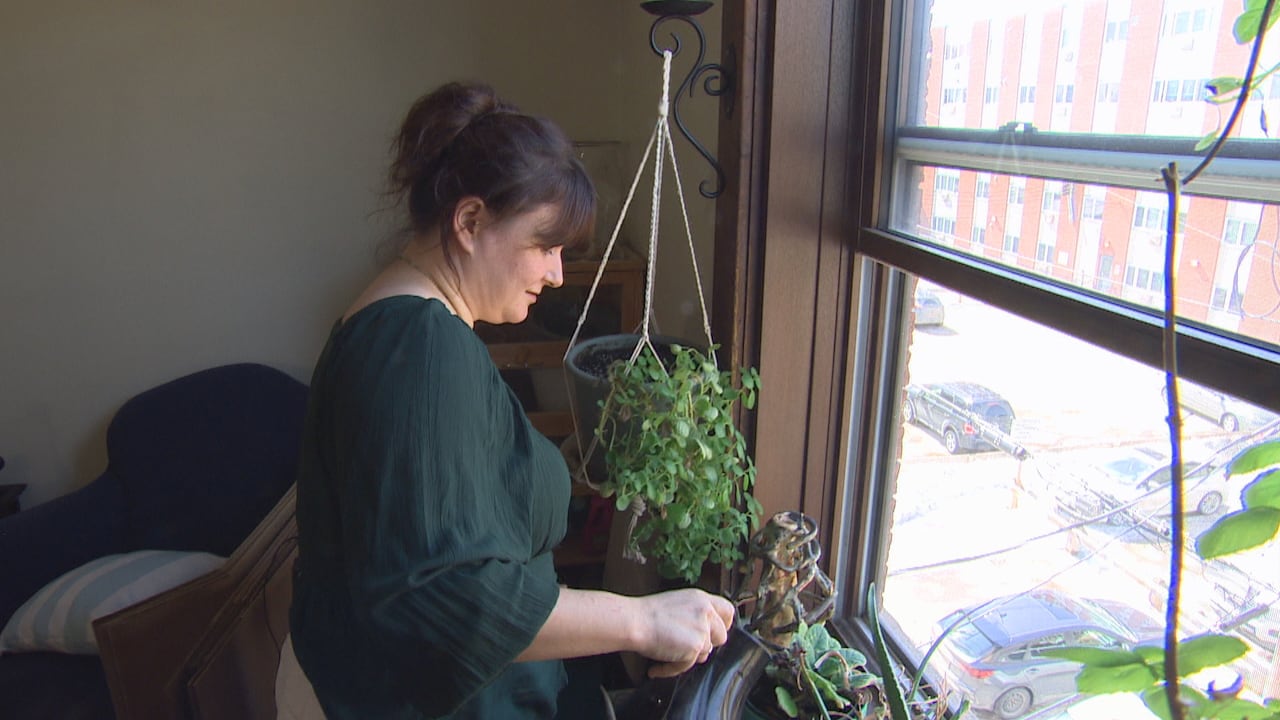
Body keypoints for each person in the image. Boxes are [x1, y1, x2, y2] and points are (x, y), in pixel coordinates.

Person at [279, 81, 736, 720]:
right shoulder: (415, 347)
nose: (555, 273)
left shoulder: (415, 325)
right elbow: (444, 596)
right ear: (469, 222)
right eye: (543, 246)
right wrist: (640, 619)